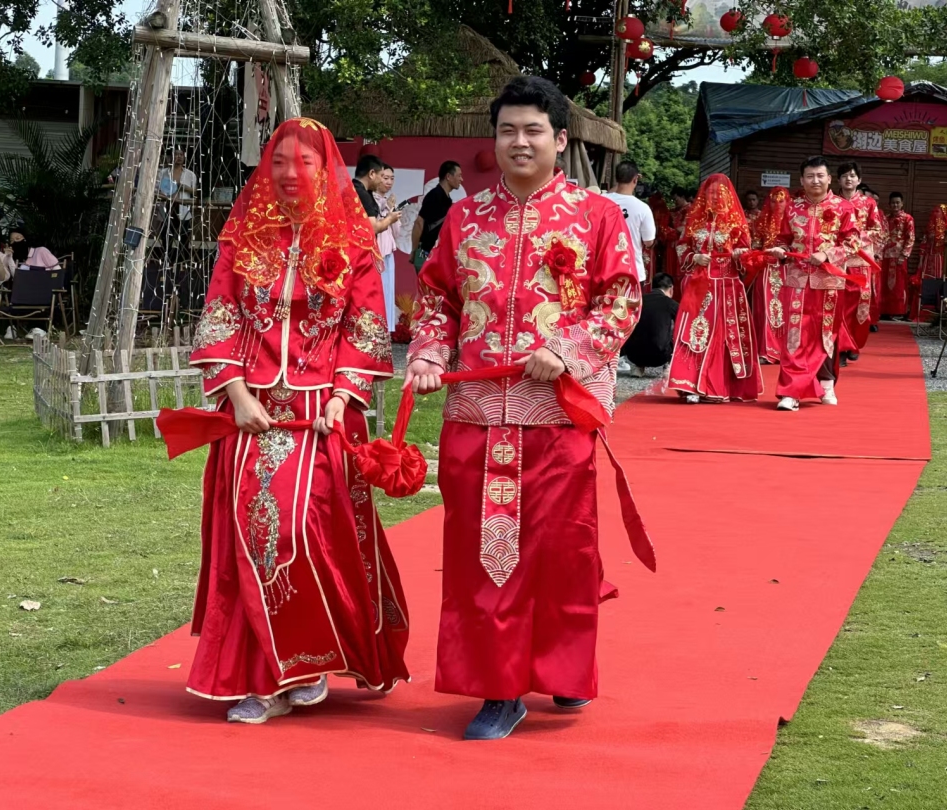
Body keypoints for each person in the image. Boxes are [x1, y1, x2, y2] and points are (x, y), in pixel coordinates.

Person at [405, 76, 641, 741]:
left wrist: (568, 348)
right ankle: (499, 687)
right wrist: (426, 354)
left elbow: (621, 301)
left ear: (560, 141)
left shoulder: (597, 216)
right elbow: (437, 301)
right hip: (476, 411)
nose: (519, 141)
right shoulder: (464, 217)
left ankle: (565, 670)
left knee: (561, 552)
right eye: (507, 130)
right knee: (485, 555)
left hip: (557, 413)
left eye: (533, 130)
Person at [186, 118, 409, 724]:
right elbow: (220, 317)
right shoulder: (243, 239)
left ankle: (308, 662)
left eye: (303, 164)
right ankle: (263, 677)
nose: (290, 174)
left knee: (310, 537)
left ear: (325, 170)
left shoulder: (352, 240)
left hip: (321, 417)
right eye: (279, 162)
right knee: (253, 540)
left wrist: (342, 397)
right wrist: (235, 394)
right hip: (253, 415)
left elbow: (365, 326)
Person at [768, 156, 860, 412]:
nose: (815, 180)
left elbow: (853, 243)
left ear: (830, 179)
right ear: (802, 180)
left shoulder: (843, 208)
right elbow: (784, 239)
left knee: (825, 334)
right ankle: (791, 392)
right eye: (810, 176)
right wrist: (781, 250)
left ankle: (826, 383)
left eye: (820, 175)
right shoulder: (793, 208)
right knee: (795, 336)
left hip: (829, 281)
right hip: (797, 280)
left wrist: (827, 254)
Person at [661, 174, 762, 404]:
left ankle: (716, 385)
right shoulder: (695, 221)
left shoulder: (737, 224)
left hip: (727, 286)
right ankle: (691, 385)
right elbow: (682, 247)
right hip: (699, 284)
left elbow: (747, 256)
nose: (715, 197)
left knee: (722, 336)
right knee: (695, 333)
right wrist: (694, 256)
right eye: (710, 193)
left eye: (720, 194)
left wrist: (739, 256)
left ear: (728, 196)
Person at [605, 160, 656, 374]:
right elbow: (649, 241)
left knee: (604, 311)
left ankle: (606, 353)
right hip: (632, 268)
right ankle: (623, 355)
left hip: (604, 266)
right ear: (636, 179)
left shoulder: (601, 200)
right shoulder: (642, 208)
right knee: (630, 314)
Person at [836, 162, 884, 364]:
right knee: (838, 303)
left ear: (859, 180)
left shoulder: (869, 203)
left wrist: (855, 238)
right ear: (837, 179)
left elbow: (877, 231)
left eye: (853, 175)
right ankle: (839, 347)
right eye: (845, 175)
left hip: (860, 260)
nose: (849, 179)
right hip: (837, 260)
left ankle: (854, 343)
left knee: (859, 305)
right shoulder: (832, 203)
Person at [749, 185, 790, 364]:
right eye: (774, 201)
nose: (777, 204)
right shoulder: (761, 221)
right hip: (765, 270)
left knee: (788, 310)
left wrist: (785, 252)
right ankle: (766, 350)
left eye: (781, 201)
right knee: (764, 309)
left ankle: (786, 350)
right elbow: (756, 245)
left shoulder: (793, 222)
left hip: (787, 269)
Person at [621, 272, 678, 375]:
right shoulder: (669, 303)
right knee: (677, 326)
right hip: (660, 357)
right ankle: (668, 366)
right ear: (671, 288)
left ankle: (639, 367)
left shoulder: (638, 301)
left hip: (633, 355)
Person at [411, 161, 463, 272]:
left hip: (439, 256)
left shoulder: (446, 199)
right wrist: (414, 251)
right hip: (427, 255)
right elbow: (419, 222)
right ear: (448, 176)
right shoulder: (434, 196)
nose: (461, 179)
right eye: (459, 176)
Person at [911, 203, 947, 321]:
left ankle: (938, 313)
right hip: (928, 259)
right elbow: (924, 244)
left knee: (940, 282)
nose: (935, 214)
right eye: (934, 211)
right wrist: (920, 260)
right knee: (925, 283)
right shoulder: (929, 227)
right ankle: (922, 312)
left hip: (941, 260)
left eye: (937, 212)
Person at [374, 164, 401, 332]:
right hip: (376, 253)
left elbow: (396, 232)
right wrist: (386, 211)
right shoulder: (370, 199)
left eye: (392, 178)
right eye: (385, 178)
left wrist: (392, 210)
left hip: (388, 252)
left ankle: (385, 329)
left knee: (388, 292)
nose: (389, 182)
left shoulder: (389, 202)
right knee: (377, 292)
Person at [881, 191, 915, 319]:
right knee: (885, 284)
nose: (895, 205)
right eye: (893, 203)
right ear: (889, 204)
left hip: (899, 256)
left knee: (898, 284)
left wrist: (904, 255)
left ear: (902, 204)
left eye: (897, 203)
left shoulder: (908, 218)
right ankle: (884, 311)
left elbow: (910, 238)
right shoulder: (886, 219)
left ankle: (898, 311)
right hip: (885, 255)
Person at [353, 155, 403, 236]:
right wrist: (390, 218)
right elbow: (373, 228)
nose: (381, 180)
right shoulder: (362, 194)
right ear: (372, 173)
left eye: (392, 178)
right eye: (382, 176)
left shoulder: (351, 188)